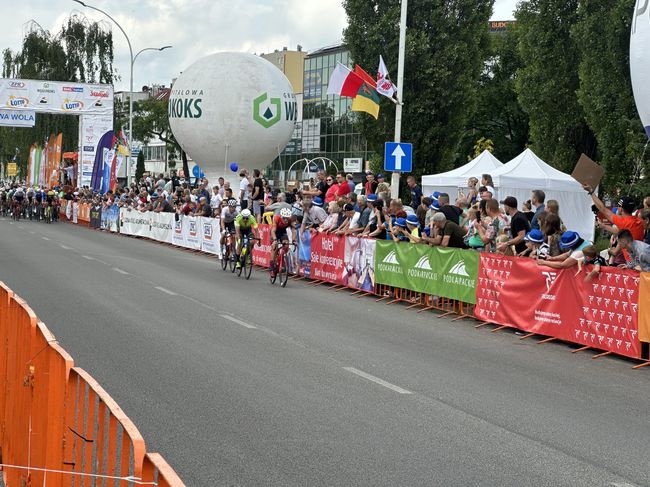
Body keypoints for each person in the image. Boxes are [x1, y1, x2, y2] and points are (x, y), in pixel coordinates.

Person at [270, 207, 293, 276]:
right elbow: (273, 231)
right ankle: (271, 268)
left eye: (287, 218)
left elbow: (294, 230)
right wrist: (274, 240)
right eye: (284, 218)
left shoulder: (290, 220)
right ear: (281, 216)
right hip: (275, 232)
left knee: (286, 245)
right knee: (275, 247)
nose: (286, 220)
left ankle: (281, 259)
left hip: (283, 232)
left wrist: (294, 239)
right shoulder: (277, 218)